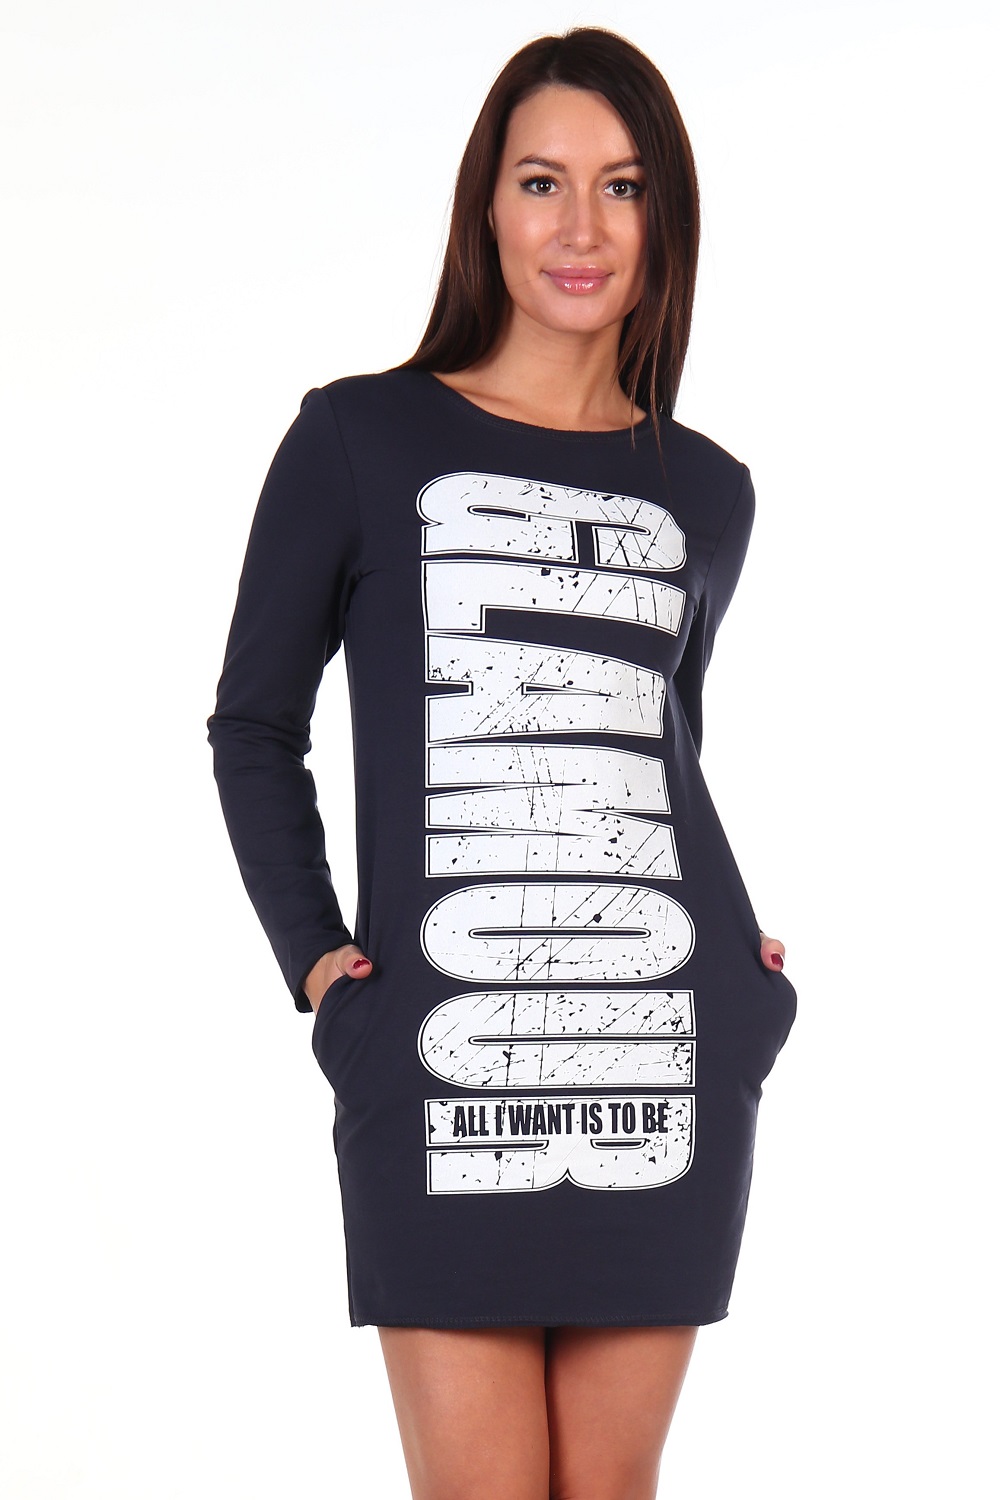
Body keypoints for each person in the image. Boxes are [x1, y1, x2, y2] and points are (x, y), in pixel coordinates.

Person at [206, 25, 797, 1500]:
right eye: (543, 182)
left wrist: (737, 976)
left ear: (666, 220)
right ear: (488, 206)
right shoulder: (359, 438)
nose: (581, 227)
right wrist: (319, 963)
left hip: (659, 1059)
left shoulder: (707, 490)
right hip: (439, 1062)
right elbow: (254, 725)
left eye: (623, 186)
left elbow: (659, 750)